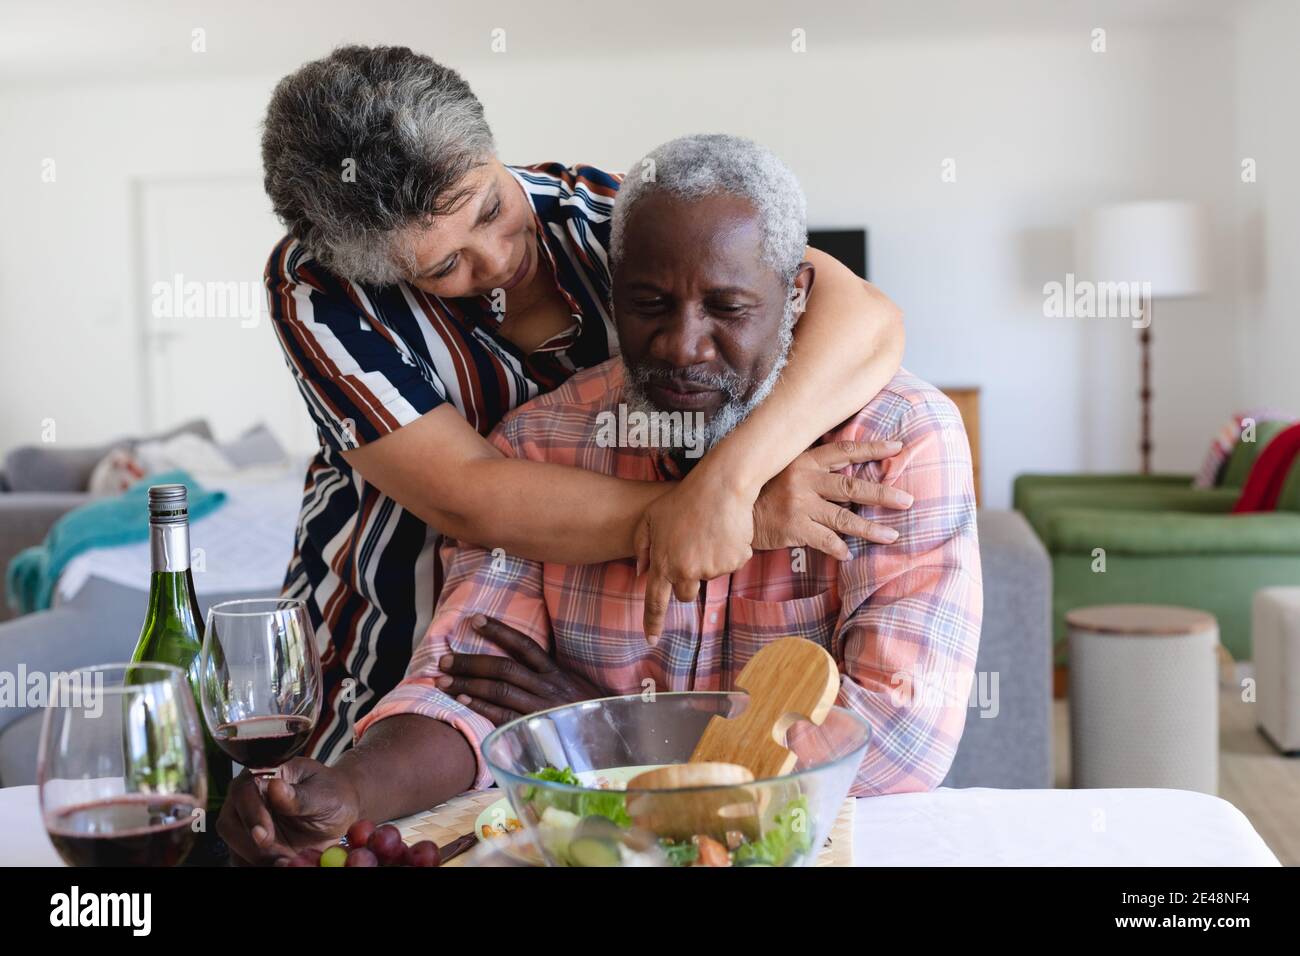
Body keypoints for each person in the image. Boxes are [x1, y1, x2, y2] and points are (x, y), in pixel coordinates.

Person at [224, 133, 982, 864]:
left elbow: (899, 739)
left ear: (794, 295)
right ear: (609, 289)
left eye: (727, 307)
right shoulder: (538, 444)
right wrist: (348, 790)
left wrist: (609, 729)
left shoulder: (900, 442)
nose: (683, 344)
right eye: (650, 304)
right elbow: (465, 684)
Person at [261, 45, 910, 763]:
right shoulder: (319, 289)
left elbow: (866, 316)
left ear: (490, 148)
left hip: (568, 660)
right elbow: (469, 496)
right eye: (445, 266)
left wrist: (730, 481)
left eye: (492, 208)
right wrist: (736, 514)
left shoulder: (610, 213)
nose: (498, 257)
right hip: (389, 640)